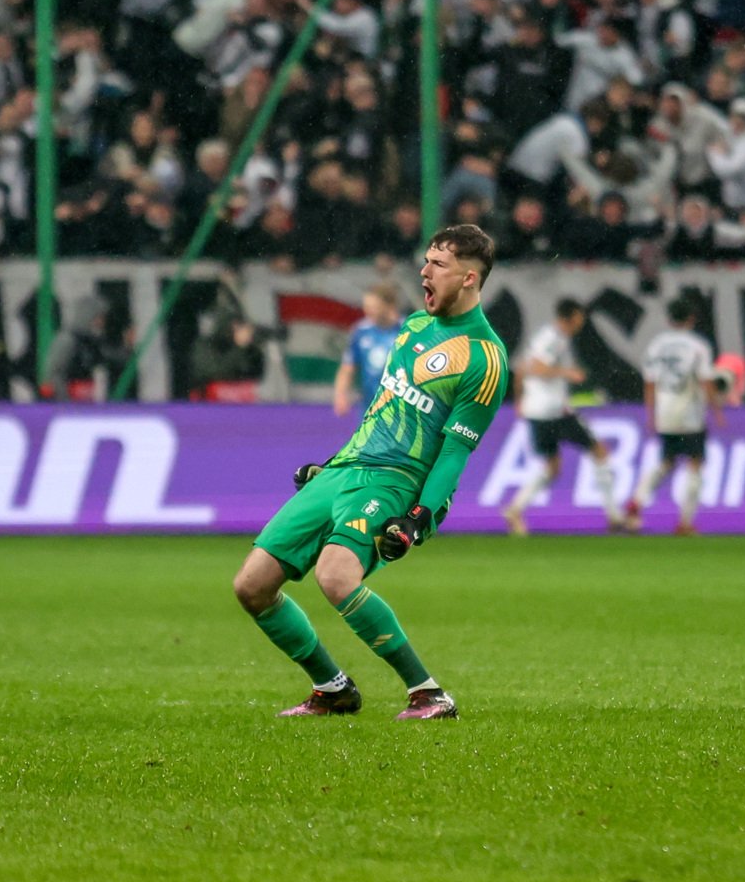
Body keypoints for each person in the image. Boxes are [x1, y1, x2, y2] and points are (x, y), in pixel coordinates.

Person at [231, 225, 509, 721]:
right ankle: (332, 688)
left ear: (469, 278)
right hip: (346, 470)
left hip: (398, 482)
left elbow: (454, 452)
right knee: (251, 585)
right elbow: (382, 412)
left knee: (336, 576)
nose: (424, 271)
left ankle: (427, 693)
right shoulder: (412, 329)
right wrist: (331, 465)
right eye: (425, 260)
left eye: (438, 264)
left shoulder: (485, 359)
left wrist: (421, 515)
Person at [501, 299, 623, 534]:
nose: (582, 320)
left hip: (539, 411)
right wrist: (567, 372)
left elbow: (522, 367)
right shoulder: (553, 338)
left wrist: (519, 401)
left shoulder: (548, 337)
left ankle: (515, 509)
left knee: (552, 467)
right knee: (599, 451)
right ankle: (615, 518)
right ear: (571, 316)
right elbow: (535, 367)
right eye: (579, 316)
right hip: (552, 412)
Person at [623, 297, 725, 534]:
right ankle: (685, 522)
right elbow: (705, 380)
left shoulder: (656, 345)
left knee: (666, 462)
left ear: (669, 319)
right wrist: (717, 410)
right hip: (689, 413)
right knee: (695, 464)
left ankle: (637, 500)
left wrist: (651, 415)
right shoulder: (699, 346)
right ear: (691, 319)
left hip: (664, 411)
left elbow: (649, 383)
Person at [332, 283, 404, 416]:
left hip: (401, 409)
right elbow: (348, 367)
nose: (368, 311)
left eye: (374, 307)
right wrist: (341, 395)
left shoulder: (407, 331)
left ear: (389, 306)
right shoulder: (361, 331)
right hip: (370, 408)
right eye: (366, 307)